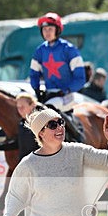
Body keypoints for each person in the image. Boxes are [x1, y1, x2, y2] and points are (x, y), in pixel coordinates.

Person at [29, 12, 87, 141]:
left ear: (58, 30)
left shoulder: (69, 49)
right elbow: (33, 74)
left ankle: (78, 137)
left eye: (50, 29)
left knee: (49, 109)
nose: (47, 32)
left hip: (67, 95)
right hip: (49, 94)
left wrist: (65, 90)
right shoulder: (40, 50)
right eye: (44, 29)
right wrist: (37, 90)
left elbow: (80, 79)